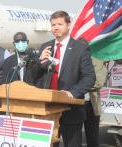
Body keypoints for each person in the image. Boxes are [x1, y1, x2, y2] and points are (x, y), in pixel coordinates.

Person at [39, 11, 96, 147]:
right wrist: (40, 62)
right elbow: (35, 77)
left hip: (71, 109)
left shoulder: (80, 49)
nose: (56, 28)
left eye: (60, 24)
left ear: (68, 25)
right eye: (53, 25)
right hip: (47, 109)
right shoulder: (45, 47)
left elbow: (89, 77)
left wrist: (71, 93)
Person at [78, 38, 107, 147]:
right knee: (74, 137)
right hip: (75, 104)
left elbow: (99, 81)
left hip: (91, 104)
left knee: (92, 137)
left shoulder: (96, 61)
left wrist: (79, 86)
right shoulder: (72, 61)